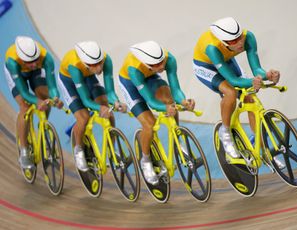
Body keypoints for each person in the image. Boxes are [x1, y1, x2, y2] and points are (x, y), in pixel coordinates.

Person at [193, 17, 284, 168]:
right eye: (233, 41)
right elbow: (233, 80)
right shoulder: (212, 48)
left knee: (249, 97)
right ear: (224, 42)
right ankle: (226, 132)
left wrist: (267, 75)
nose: (240, 43)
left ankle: (263, 150)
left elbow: (257, 69)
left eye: (239, 37)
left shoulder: (249, 37)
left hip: (225, 60)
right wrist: (252, 82)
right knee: (230, 92)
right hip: (206, 66)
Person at [118, 41, 195, 185]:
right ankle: (145, 160)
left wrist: (183, 101)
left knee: (170, 100)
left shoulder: (169, 59)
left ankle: (177, 138)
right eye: (156, 65)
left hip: (150, 77)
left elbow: (175, 89)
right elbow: (150, 101)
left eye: (161, 62)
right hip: (130, 84)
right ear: (146, 63)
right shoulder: (134, 68)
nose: (161, 67)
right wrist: (164, 109)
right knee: (149, 124)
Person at [58, 41, 127, 172]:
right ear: (85, 63)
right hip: (69, 82)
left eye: (100, 63)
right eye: (94, 65)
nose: (99, 68)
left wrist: (116, 102)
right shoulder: (75, 66)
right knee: (83, 118)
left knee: (109, 113)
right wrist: (100, 108)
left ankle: (112, 149)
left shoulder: (106, 60)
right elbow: (85, 100)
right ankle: (78, 150)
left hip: (88, 77)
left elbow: (110, 92)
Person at [4, 36, 63, 169]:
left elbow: (52, 87)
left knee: (45, 96)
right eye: (30, 62)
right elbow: (24, 93)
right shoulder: (12, 61)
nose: (34, 64)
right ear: (22, 58)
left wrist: (55, 98)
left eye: (36, 60)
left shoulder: (45, 58)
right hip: (18, 74)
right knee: (25, 106)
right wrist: (36, 101)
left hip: (34, 73)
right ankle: (24, 151)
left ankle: (43, 126)